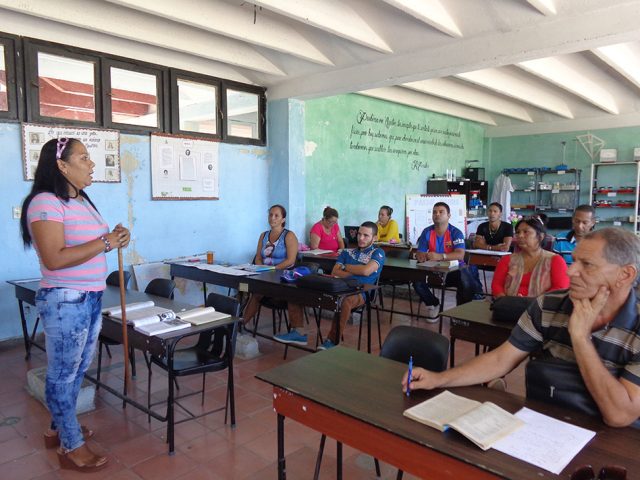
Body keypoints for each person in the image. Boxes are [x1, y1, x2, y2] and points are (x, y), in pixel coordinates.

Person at [403, 227, 640, 428]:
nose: (570, 271)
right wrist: (439, 379)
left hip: (610, 444)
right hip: (543, 424)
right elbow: (501, 360)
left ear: (625, 274)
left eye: (586, 265)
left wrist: (580, 338)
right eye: (574, 260)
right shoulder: (550, 304)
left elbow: (620, 415)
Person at [19, 138, 130, 471]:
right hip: (66, 299)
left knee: (76, 371)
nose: (92, 164)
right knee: (63, 376)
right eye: (84, 158)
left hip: (91, 296)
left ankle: (58, 427)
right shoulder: (43, 203)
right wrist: (105, 241)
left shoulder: (82, 200)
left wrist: (115, 237)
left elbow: (94, 243)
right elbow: (54, 258)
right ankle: (71, 446)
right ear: (63, 166)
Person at [273, 221, 385, 350]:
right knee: (296, 289)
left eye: (366, 235)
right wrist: (355, 272)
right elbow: (335, 271)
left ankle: (332, 341)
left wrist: (346, 267)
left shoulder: (378, 253)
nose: (360, 238)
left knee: (345, 301)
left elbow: (366, 271)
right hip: (338, 286)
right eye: (359, 234)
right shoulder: (347, 252)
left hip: (361, 292)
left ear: (374, 238)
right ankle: (298, 332)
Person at [413, 202, 483, 321]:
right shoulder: (427, 232)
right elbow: (421, 252)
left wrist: (440, 256)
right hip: (434, 270)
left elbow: (460, 254)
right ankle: (434, 304)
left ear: (449, 215)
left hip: (453, 272)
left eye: (441, 212)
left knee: (465, 278)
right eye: (434, 212)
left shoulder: (455, 232)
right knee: (416, 280)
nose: (437, 214)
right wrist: (421, 256)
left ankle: (460, 312)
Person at [242, 204, 299, 326]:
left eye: (276, 215)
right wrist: (260, 267)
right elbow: (258, 257)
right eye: (270, 214)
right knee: (242, 286)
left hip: (282, 276)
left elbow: (291, 260)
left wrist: (273, 268)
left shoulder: (289, 236)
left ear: (283, 219)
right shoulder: (263, 235)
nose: (272, 218)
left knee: (257, 292)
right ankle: (236, 321)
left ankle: (240, 325)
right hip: (264, 274)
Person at [492, 216, 569, 297]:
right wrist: (506, 302)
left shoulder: (555, 260)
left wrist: (532, 303)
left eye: (526, 232)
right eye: (518, 232)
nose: (520, 235)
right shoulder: (507, 260)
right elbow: (496, 285)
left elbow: (560, 288)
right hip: (508, 306)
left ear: (541, 236)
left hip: (543, 308)